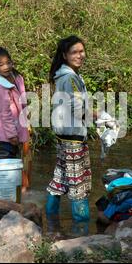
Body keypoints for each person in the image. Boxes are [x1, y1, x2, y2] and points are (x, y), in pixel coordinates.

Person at [45, 35, 95, 235]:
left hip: (64, 137)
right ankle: (81, 231)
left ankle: (50, 223)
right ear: (65, 55)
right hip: (73, 139)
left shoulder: (64, 75)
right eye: (75, 52)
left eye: (82, 51)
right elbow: (77, 109)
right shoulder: (69, 78)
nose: (80, 55)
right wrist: (104, 117)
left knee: (60, 180)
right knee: (78, 184)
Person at [0, 46, 29, 164]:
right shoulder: (0, 87)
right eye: (1, 65)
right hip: (6, 132)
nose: (6, 67)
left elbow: (22, 98)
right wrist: (11, 135)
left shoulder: (16, 77)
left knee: (15, 160)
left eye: (8, 63)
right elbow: (5, 113)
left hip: (17, 125)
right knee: (6, 161)